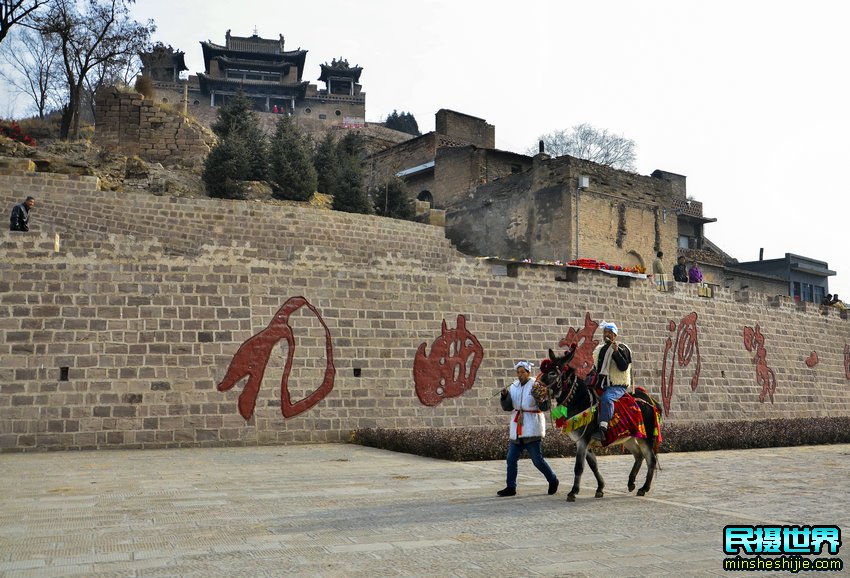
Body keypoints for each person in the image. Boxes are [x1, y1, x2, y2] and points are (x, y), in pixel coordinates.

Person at [497, 360, 559, 497]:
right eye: (518, 372)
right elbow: (508, 407)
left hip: (531, 426)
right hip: (517, 427)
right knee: (511, 459)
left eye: (522, 372)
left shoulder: (536, 385)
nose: (520, 375)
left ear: (528, 372)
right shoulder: (513, 386)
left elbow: (544, 407)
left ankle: (553, 479)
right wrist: (505, 396)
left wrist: (542, 398)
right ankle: (511, 487)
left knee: (537, 460)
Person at [590, 322, 632, 442]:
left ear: (615, 335)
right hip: (601, 384)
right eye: (605, 332)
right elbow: (596, 368)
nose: (606, 334)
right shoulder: (599, 350)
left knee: (607, 399)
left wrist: (616, 352)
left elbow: (623, 367)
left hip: (617, 386)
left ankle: (602, 429)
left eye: (609, 332)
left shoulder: (622, 348)